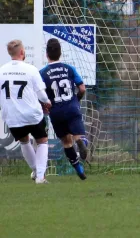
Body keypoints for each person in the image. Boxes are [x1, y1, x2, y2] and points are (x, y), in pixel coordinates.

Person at [0, 40, 52, 184]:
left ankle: (36, 172)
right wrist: (47, 102)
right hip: (32, 115)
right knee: (42, 141)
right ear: (22, 52)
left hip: (13, 117)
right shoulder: (30, 69)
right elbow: (41, 94)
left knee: (24, 141)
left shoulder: (1, 70)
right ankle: (40, 177)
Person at [40, 38, 87, 180]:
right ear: (60, 53)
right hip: (72, 106)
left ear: (47, 54)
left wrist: (45, 106)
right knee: (78, 135)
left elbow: (40, 94)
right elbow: (82, 88)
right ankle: (81, 142)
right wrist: (76, 100)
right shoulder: (69, 68)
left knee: (66, 142)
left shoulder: (42, 73)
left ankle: (79, 169)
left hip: (56, 111)